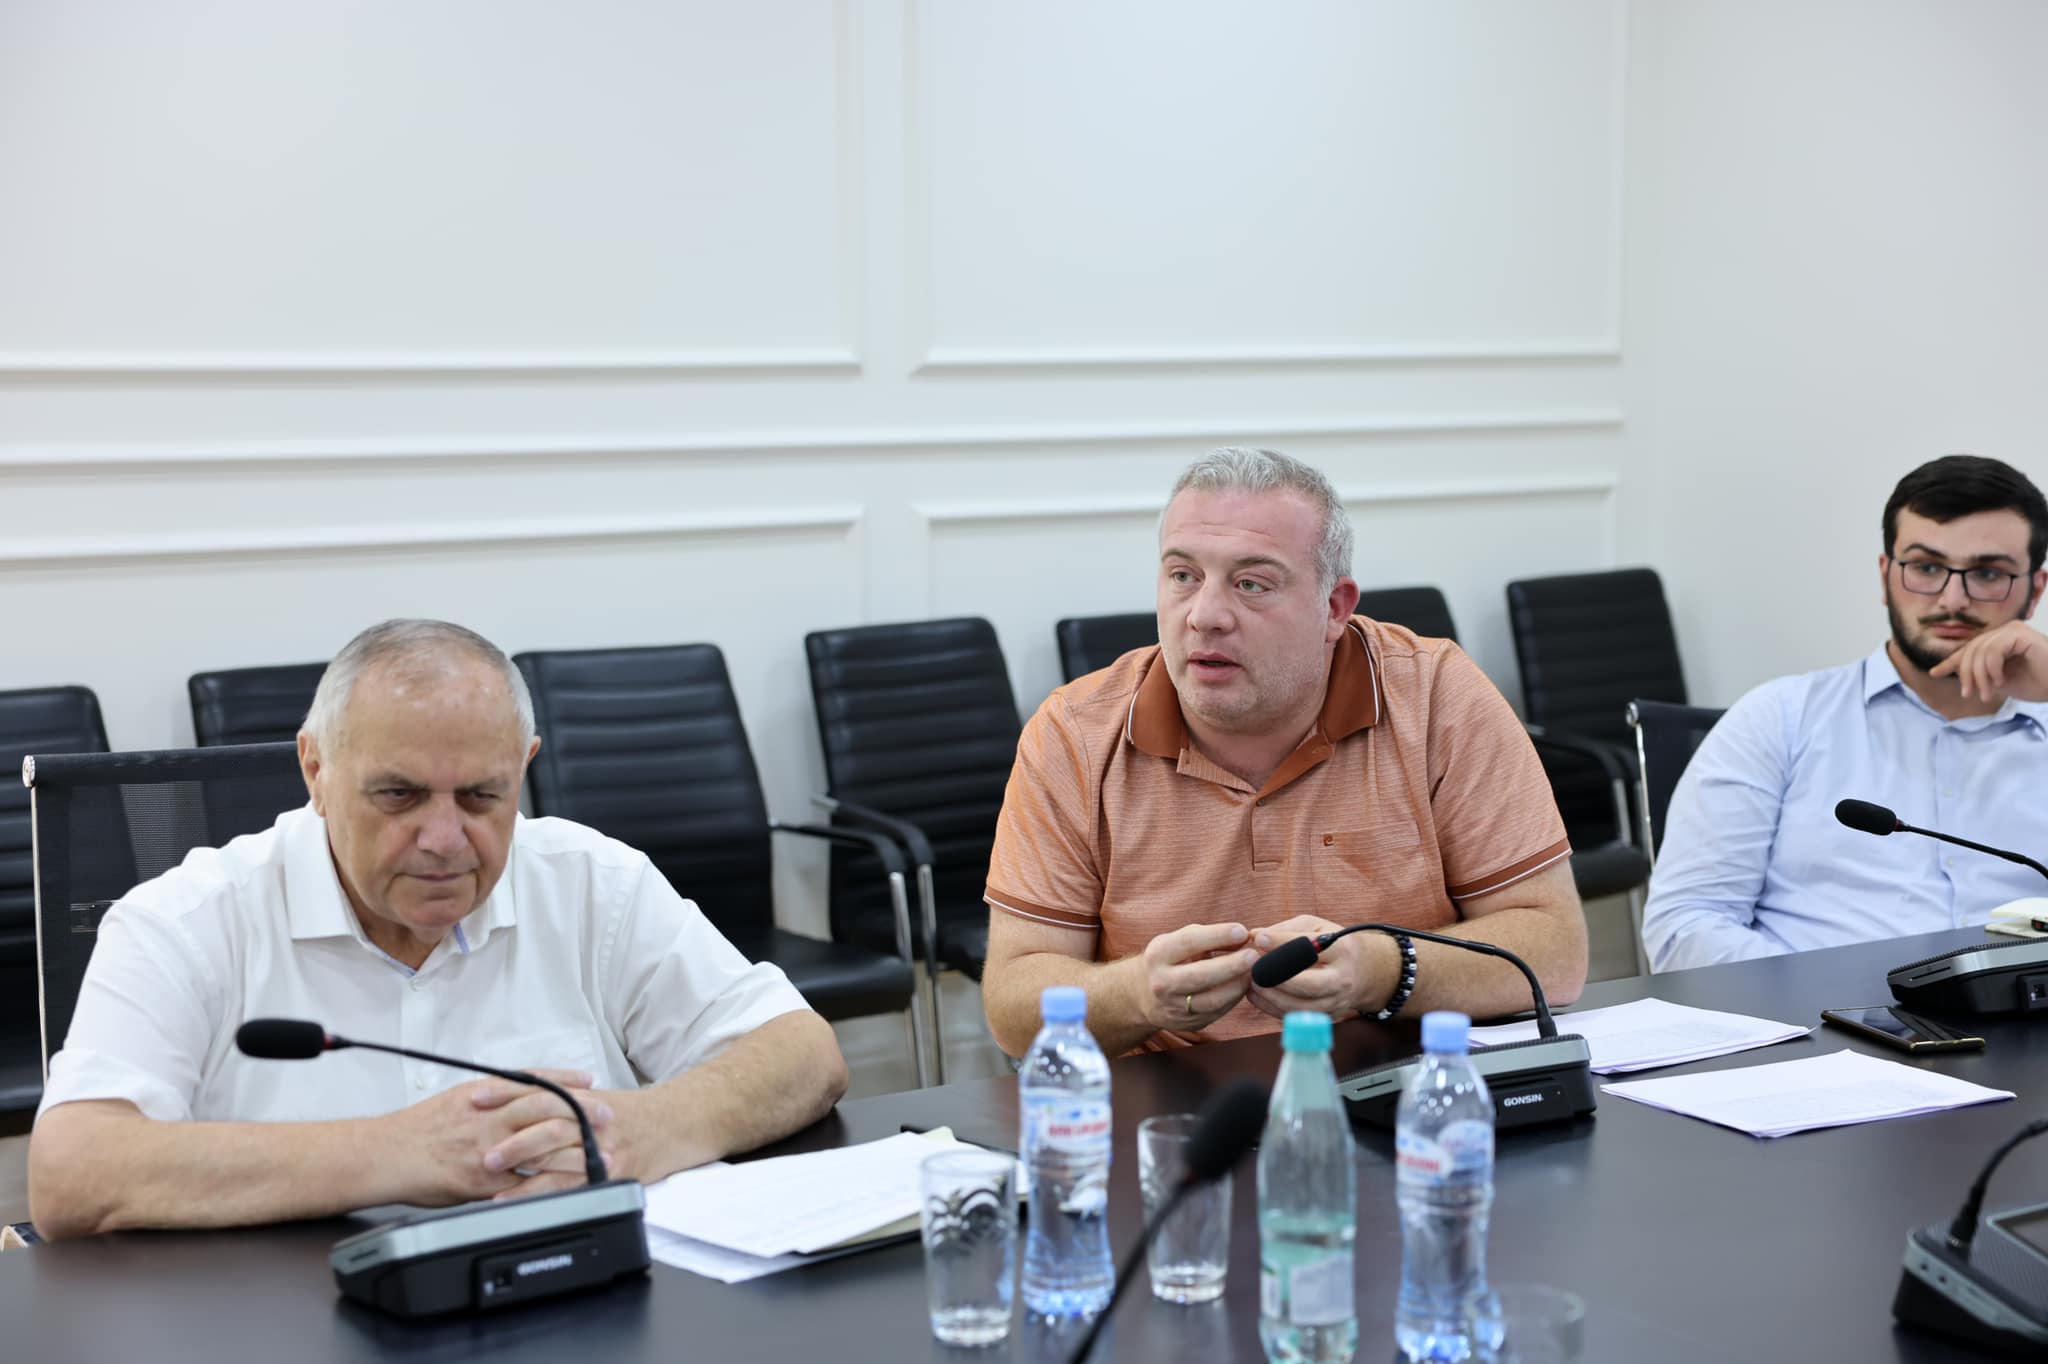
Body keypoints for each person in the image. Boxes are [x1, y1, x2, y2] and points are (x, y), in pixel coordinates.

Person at [28, 620, 848, 1239]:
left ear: (525, 768)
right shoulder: (184, 920)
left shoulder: (591, 880)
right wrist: (404, 1151)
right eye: (399, 795)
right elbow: (72, 1173)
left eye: (483, 797)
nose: (445, 839)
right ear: (316, 770)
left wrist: (644, 1129)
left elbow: (802, 1053)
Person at [979, 448, 1588, 1057]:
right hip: (1170, 1096)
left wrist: (1380, 969)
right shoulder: (1076, 733)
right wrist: (1138, 994)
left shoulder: (1435, 698)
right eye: (1183, 576)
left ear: (1334, 608)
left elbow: (1556, 952)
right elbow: (1012, 1004)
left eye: (1251, 584)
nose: (1205, 617)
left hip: (1399, 1083)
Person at [1643, 455, 2048, 971]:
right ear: (1885, 576)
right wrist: (1831, 1002)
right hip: (1820, 1017)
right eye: (1926, 567)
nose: (1952, 599)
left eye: (1988, 573)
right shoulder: (1779, 719)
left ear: (2035, 591)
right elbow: (1684, 926)